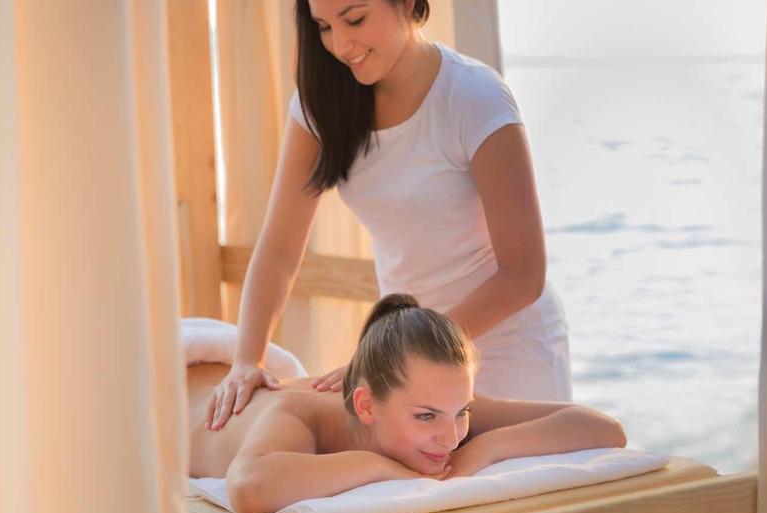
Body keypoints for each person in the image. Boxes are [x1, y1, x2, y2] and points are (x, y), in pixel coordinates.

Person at [206, 0, 572, 433]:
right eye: (323, 26)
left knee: (514, 496)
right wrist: (249, 359)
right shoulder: (320, 105)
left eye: (355, 19)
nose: (341, 45)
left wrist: (397, 354)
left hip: (505, 350)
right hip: (405, 365)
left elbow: (522, 274)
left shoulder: (474, 96)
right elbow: (281, 248)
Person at [190, 294, 625, 513]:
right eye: (426, 417)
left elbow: (601, 427)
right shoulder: (299, 416)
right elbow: (248, 489)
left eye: (463, 412)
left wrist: (487, 448)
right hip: (171, 388)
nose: (451, 437)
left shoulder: (442, 408)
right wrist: (378, 467)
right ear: (366, 406)